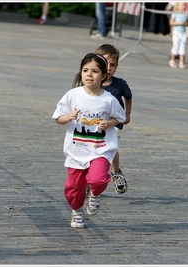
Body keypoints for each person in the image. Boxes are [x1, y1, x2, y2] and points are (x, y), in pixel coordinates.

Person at [52, 53, 126, 228]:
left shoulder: (109, 99)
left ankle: (94, 194)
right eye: (85, 70)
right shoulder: (72, 95)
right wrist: (68, 117)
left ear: (104, 75)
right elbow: (58, 118)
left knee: (98, 179)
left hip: (100, 149)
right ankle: (76, 211)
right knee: (74, 187)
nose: (89, 75)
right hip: (76, 150)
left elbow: (119, 118)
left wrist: (108, 123)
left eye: (94, 71)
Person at [94, 44, 132, 194]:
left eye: (113, 65)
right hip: (95, 123)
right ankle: (91, 179)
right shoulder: (93, 82)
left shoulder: (120, 84)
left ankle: (116, 172)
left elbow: (128, 97)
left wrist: (127, 114)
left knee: (111, 146)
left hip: (114, 123)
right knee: (94, 148)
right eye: (105, 63)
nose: (109, 68)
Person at [169, 2, 188, 69]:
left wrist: (185, 23)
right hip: (176, 32)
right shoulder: (175, 13)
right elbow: (171, 22)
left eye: (184, 5)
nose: (184, 7)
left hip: (183, 32)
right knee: (176, 45)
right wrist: (178, 23)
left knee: (183, 46)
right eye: (182, 5)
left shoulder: (186, 14)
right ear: (178, 6)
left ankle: (181, 62)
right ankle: (172, 60)